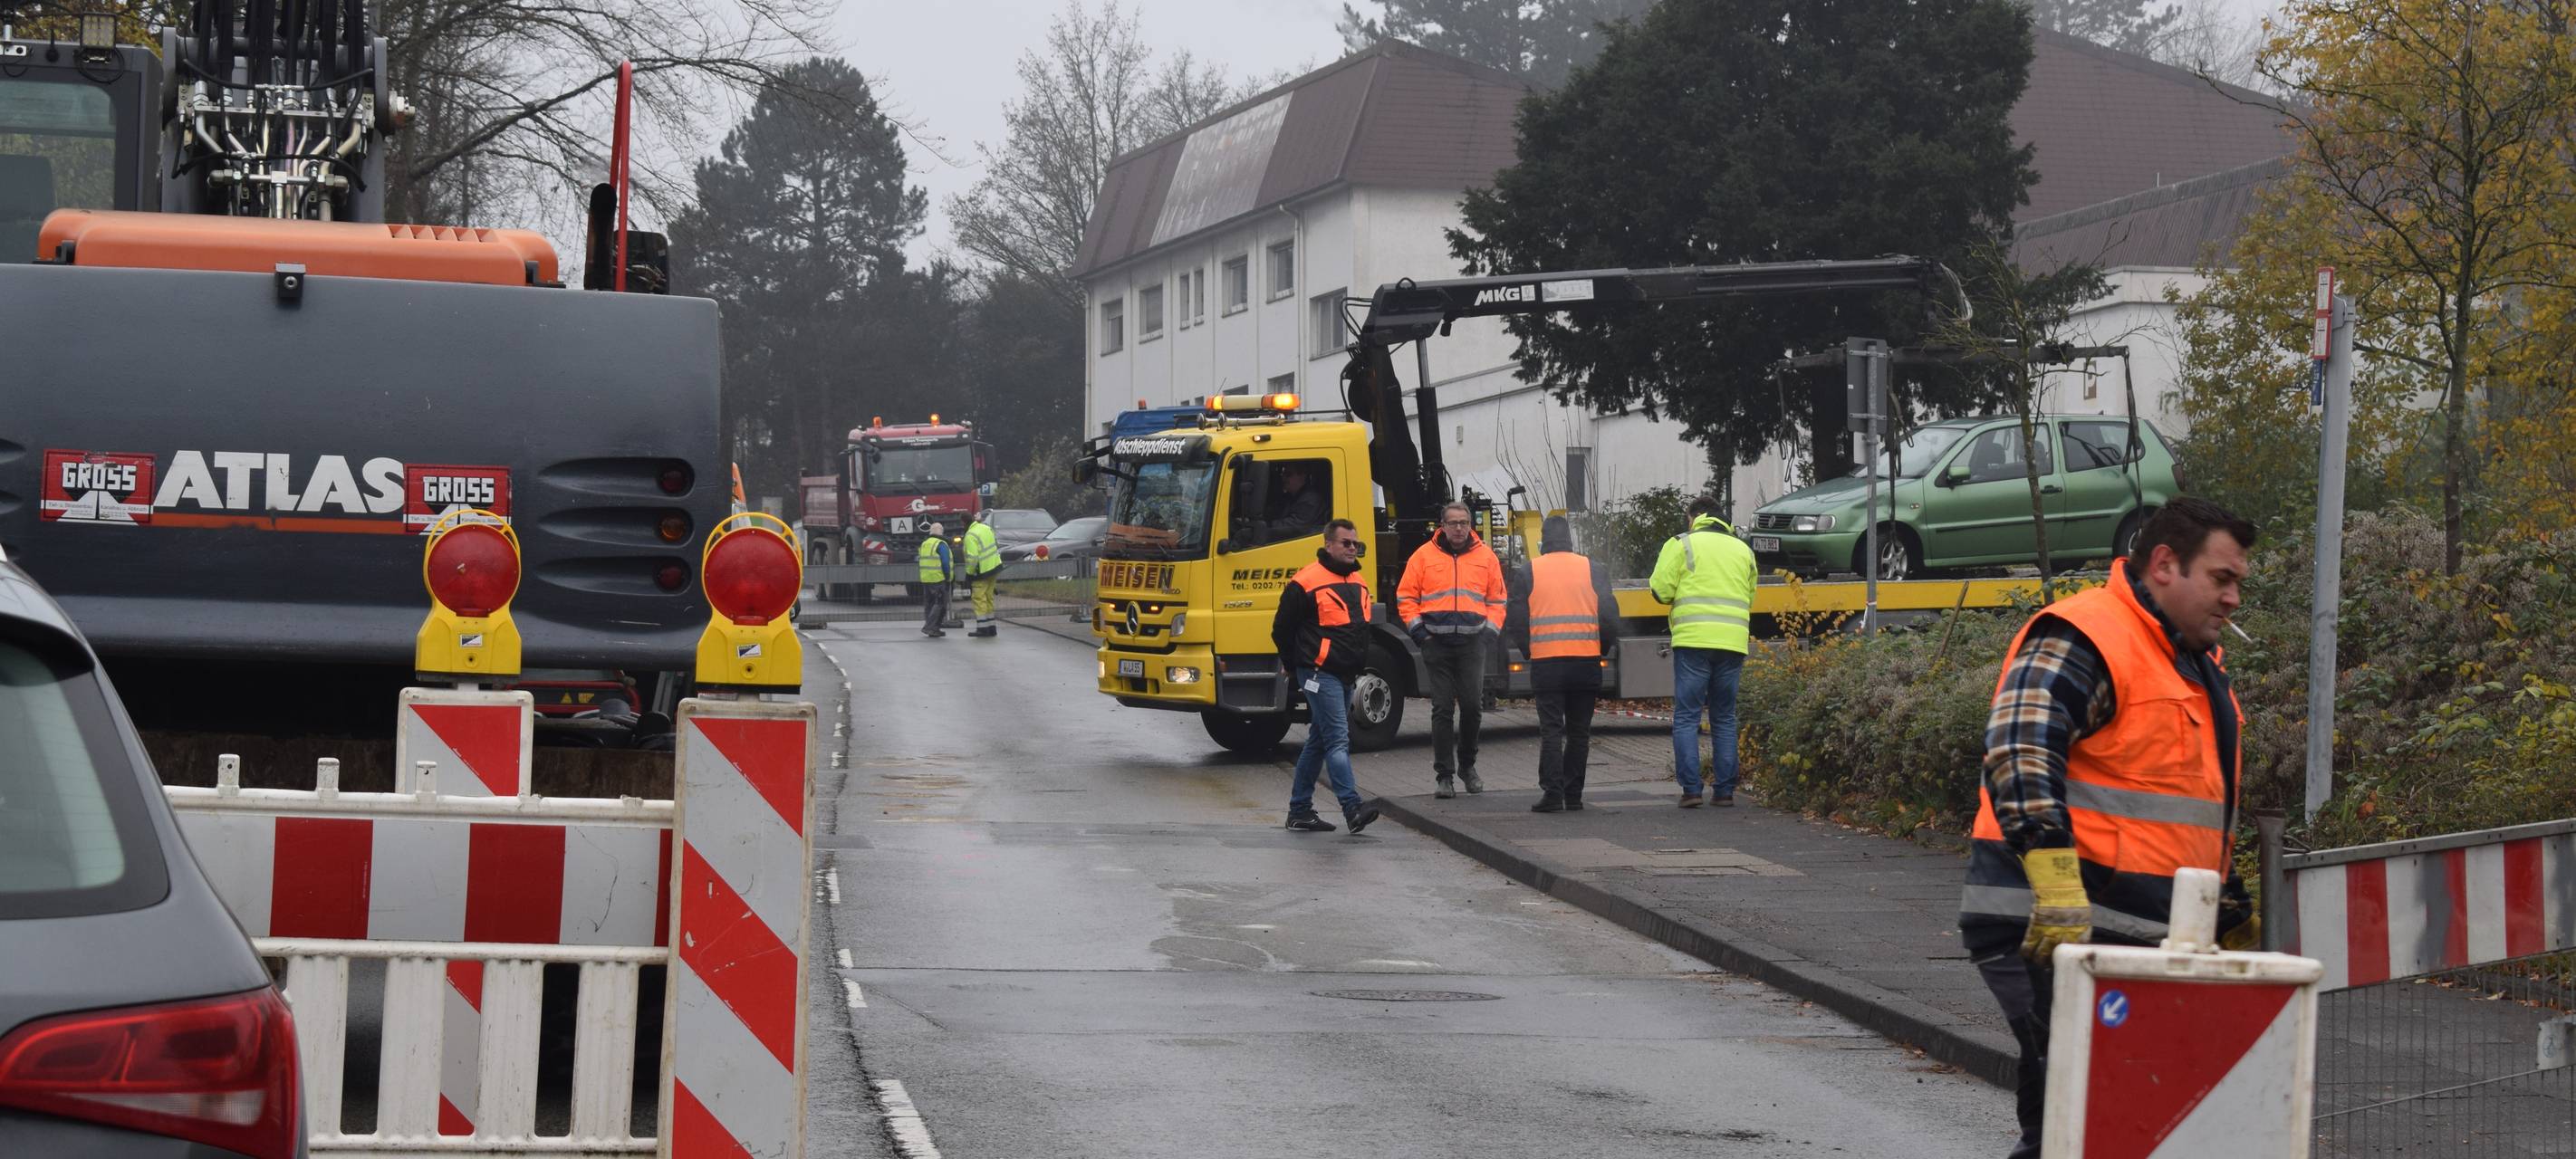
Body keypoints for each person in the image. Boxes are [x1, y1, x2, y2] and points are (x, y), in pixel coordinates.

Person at [1958, 496, 2261, 1159]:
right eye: (2222, 579)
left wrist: (2226, 903)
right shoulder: (2088, 635)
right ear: (2163, 564)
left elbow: (2185, 800)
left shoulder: (2189, 663)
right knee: (2093, 1118)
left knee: (2079, 1123)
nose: (2235, 598)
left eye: (2238, 582)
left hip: (2118, 934)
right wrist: (2057, 884)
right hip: (2053, 925)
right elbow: (2021, 751)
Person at [1271, 518, 1382, 836]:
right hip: (1319, 672)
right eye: (1346, 543)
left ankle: (1299, 811)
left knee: (1319, 742)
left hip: (1345, 673)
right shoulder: (1306, 581)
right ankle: (1352, 807)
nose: (1352, 548)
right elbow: (1282, 628)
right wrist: (1293, 664)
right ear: (1328, 544)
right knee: (1337, 739)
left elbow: (1359, 630)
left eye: (1355, 544)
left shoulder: (1359, 581)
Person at [1648, 493, 1756, 808]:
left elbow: (1660, 590)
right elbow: (1749, 596)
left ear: (1695, 518)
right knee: (1724, 718)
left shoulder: (1682, 543)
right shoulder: (1743, 549)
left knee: (1686, 717)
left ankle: (1692, 790)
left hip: (1694, 642)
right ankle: (1724, 792)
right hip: (1733, 644)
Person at [1398, 500, 1508, 798]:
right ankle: (1444, 776)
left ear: (1470, 525)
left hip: (1473, 645)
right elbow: (1406, 597)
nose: (1459, 528)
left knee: (1472, 708)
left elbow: (1497, 600)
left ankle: (1467, 767)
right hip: (1437, 645)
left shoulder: (1486, 558)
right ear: (1442, 526)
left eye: (1464, 523)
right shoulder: (1422, 557)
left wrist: (1488, 635)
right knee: (1442, 710)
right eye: (1453, 523)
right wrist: (1420, 634)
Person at [1519, 516, 1621, 813]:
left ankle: (1552, 795)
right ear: (1570, 540)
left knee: (1551, 729)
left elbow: (1515, 617)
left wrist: (1529, 650)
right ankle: (1573, 794)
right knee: (1579, 731)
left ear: (1544, 541)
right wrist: (1600, 648)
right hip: (1585, 661)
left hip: (1547, 663)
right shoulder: (1593, 569)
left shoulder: (1529, 571)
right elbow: (1609, 616)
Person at [1258, 462, 1326, 543]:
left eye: (1288, 475)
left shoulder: (1311, 500)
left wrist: (1265, 525)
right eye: (1282, 474)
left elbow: (1293, 526)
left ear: (1302, 476)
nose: (1283, 478)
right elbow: (1273, 512)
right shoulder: (1289, 496)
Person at [962, 510, 1004, 637]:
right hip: (994, 567)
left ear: (963, 523)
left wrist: (969, 574)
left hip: (981, 572)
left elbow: (973, 558)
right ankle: (991, 627)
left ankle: (982, 628)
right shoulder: (986, 528)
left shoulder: (970, 535)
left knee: (979, 599)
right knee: (989, 598)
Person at [916, 522, 952, 638]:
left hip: (926, 578)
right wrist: (948, 576)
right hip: (938, 578)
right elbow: (945, 562)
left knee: (929, 604)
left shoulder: (924, 544)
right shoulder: (940, 544)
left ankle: (932, 627)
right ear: (941, 532)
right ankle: (931, 627)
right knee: (940, 604)